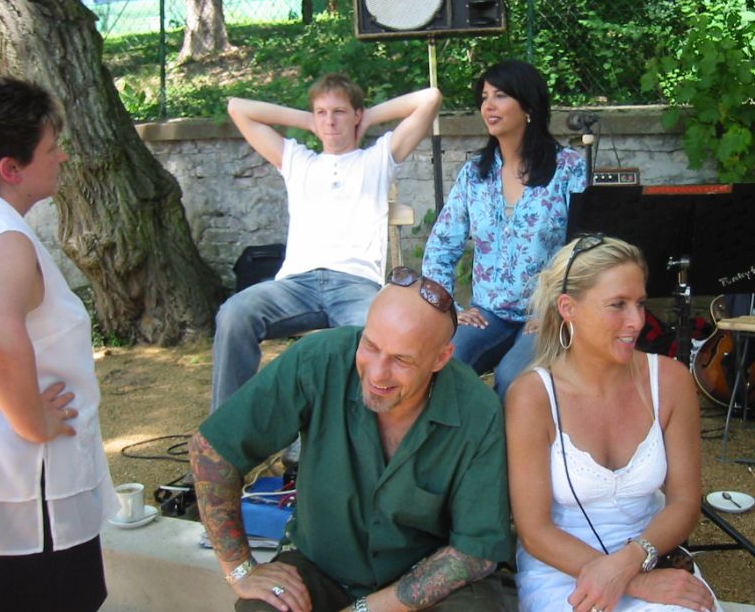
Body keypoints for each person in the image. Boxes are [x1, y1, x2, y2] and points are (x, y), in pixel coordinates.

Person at [189, 266, 512, 612]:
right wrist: (239, 569)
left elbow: (474, 552)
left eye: (401, 359)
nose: (377, 373)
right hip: (319, 569)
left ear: (440, 358)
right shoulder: (317, 360)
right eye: (370, 345)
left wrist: (366, 609)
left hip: (427, 580)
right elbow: (212, 451)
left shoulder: (478, 411)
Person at [505, 235, 721, 612]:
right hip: (562, 568)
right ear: (568, 308)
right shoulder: (533, 396)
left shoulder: (670, 381)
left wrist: (633, 561)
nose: (637, 321)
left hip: (650, 554)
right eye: (617, 305)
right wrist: (634, 583)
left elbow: (685, 502)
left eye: (640, 303)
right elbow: (535, 531)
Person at [213, 75, 442, 410]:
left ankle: (360, 433)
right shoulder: (297, 160)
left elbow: (430, 98)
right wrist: (308, 121)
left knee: (379, 339)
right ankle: (226, 430)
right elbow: (237, 107)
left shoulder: (377, 159)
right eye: (321, 112)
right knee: (234, 313)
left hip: (355, 286)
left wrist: (368, 119)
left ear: (356, 115)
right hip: (296, 286)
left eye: (339, 112)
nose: (330, 121)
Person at [0, 77, 119, 611]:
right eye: (51, 147)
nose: (63, 155)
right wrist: (32, 422)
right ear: (11, 168)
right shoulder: (6, 239)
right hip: (30, 488)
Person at [422, 59, 586, 398]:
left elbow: (587, 248)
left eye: (500, 96)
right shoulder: (475, 174)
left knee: (513, 378)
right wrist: (449, 309)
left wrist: (559, 309)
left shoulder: (569, 167)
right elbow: (441, 246)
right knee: (443, 365)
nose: (488, 106)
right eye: (484, 98)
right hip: (488, 314)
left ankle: (516, 435)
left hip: (547, 313)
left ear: (528, 105)